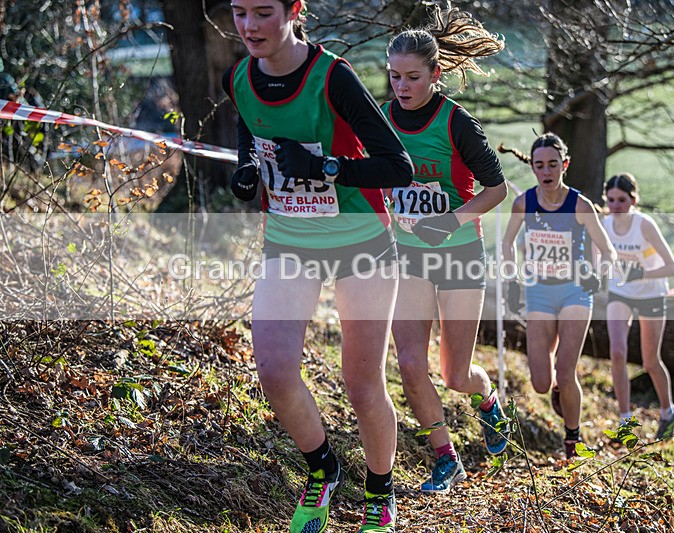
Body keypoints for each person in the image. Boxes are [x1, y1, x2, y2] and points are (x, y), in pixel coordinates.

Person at [223, 2, 414, 532]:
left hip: (360, 241)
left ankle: (380, 493)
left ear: (294, 10)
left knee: (362, 384)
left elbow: (398, 166)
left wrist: (325, 167)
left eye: (264, 12)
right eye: (239, 12)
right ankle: (323, 469)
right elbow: (249, 124)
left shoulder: (333, 78)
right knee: (274, 370)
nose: (249, 26)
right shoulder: (236, 77)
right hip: (290, 241)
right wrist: (246, 166)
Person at [382, 4, 510, 494]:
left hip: (458, 253)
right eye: (395, 76)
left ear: (435, 75)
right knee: (410, 364)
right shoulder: (381, 119)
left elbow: (497, 190)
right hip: (408, 255)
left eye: (412, 77)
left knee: (454, 374)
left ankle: (487, 399)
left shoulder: (456, 122)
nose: (402, 86)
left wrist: (449, 220)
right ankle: (446, 459)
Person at [502, 132, 616, 459]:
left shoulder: (580, 205)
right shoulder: (523, 203)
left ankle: (572, 439)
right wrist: (512, 280)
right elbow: (507, 243)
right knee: (541, 382)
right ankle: (555, 388)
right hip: (538, 292)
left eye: (553, 164)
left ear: (565, 165)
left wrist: (597, 275)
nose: (546, 171)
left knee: (566, 372)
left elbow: (608, 252)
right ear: (533, 168)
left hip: (574, 291)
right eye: (539, 165)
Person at [601, 173, 674, 440]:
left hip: (651, 293)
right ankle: (625, 419)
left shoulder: (644, 225)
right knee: (617, 352)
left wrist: (641, 274)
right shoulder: (605, 225)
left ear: (633, 200)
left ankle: (668, 411)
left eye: (621, 200)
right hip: (620, 292)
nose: (615, 206)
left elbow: (672, 267)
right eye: (611, 200)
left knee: (650, 361)